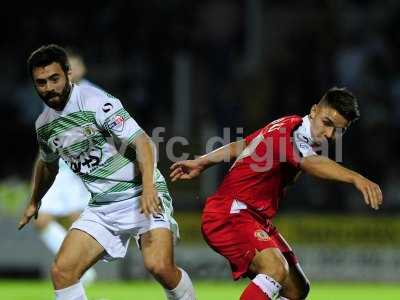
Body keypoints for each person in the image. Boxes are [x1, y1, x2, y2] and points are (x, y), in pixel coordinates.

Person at [18, 44, 196, 300]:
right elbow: (47, 163)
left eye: (54, 79)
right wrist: (35, 200)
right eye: (41, 82)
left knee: (159, 266)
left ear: (68, 74)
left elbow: (143, 142)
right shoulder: (44, 125)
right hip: (102, 206)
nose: (48, 88)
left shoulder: (96, 102)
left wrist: (148, 188)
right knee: (62, 272)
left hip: (139, 194)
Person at [170, 87, 383, 300]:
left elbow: (245, 144)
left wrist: (202, 162)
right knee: (276, 269)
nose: (329, 134)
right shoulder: (295, 132)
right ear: (314, 110)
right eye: (327, 123)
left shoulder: (287, 123)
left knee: (297, 289)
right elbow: (309, 163)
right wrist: (356, 178)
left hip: (253, 216)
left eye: (339, 130)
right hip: (230, 212)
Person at [33, 48, 97, 285]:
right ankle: (77, 265)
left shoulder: (93, 95)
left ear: (80, 70)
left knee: (77, 220)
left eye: (73, 66)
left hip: (85, 168)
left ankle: (78, 269)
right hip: (60, 168)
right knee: (41, 219)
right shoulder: (52, 96)